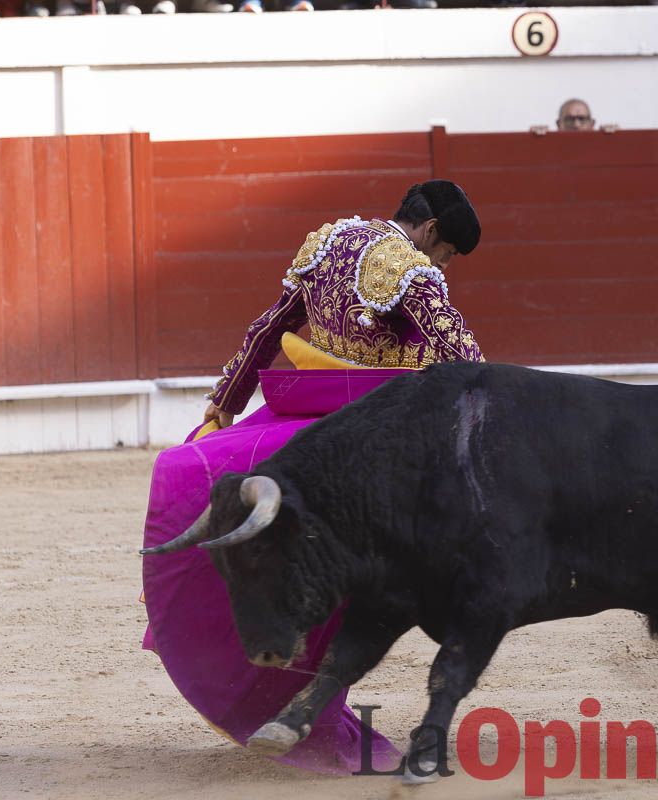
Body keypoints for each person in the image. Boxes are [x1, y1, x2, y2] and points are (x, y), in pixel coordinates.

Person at [140, 180, 483, 775]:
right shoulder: (409, 271)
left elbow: (266, 332)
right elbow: (464, 361)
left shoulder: (330, 243)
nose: (442, 263)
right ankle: (308, 707)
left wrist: (224, 405)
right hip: (365, 440)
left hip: (292, 424)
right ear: (429, 231)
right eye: (447, 251)